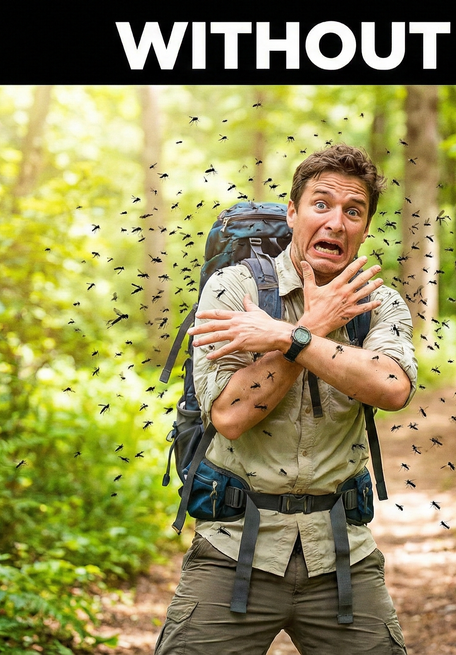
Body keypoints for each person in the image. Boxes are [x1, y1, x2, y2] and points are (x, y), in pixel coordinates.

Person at [155, 145, 417, 654]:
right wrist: (314, 327)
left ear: (364, 228)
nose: (336, 222)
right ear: (293, 212)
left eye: (353, 211)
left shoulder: (377, 302)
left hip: (342, 555)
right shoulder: (234, 290)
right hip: (233, 548)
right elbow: (230, 415)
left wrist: (290, 337)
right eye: (321, 204)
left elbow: (392, 388)